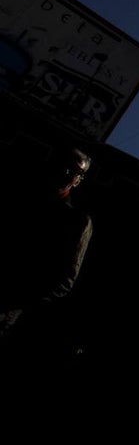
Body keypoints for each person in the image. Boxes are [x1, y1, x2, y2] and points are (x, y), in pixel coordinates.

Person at [0, 145, 93, 340]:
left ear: (79, 180)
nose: (66, 172)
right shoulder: (20, 195)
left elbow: (65, 279)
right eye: (64, 165)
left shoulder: (77, 221)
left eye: (75, 171)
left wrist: (20, 299)